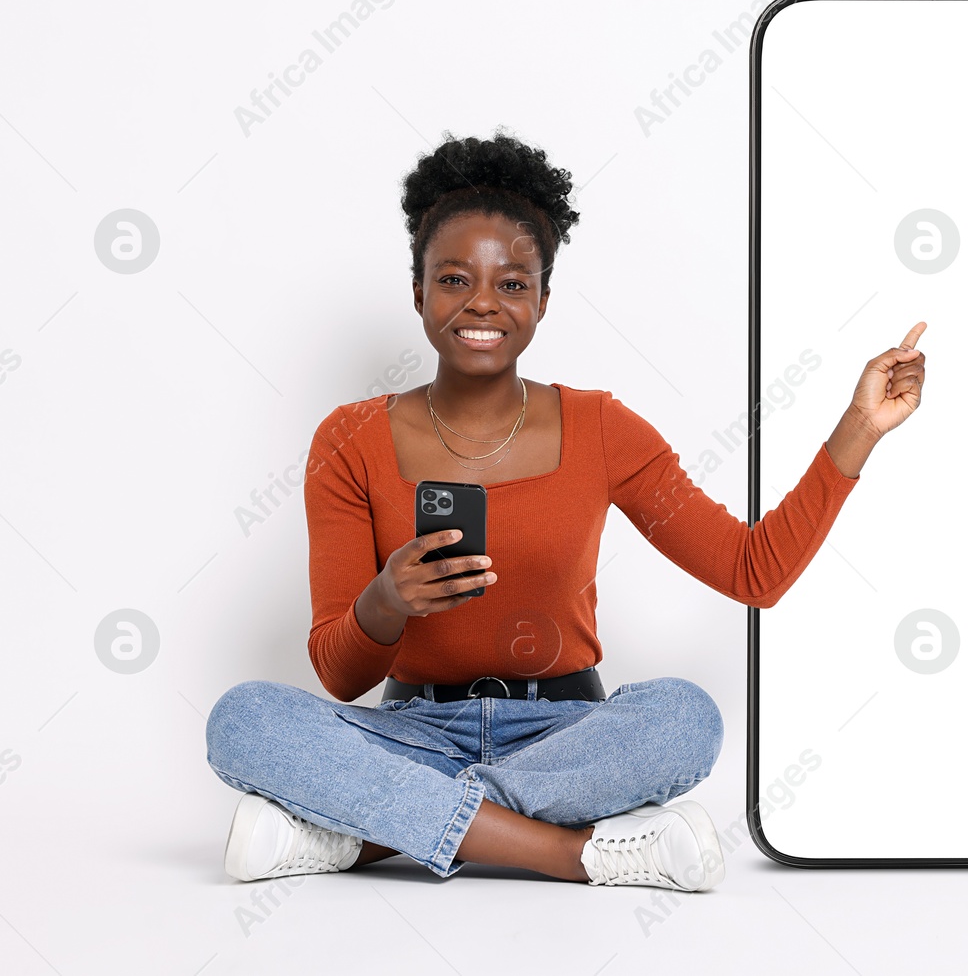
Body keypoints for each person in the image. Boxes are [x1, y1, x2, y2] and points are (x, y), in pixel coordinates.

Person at [203, 128, 928, 891]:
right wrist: (387, 601)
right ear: (417, 290)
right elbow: (339, 677)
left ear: (543, 299)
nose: (482, 302)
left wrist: (860, 428)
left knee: (687, 718)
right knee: (243, 718)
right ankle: (570, 852)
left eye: (512, 283)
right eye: (454, 278)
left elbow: (756, 571)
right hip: (408, 731)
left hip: (563, 735)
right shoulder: (349, 437)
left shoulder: (602, 428)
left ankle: (363, 837)